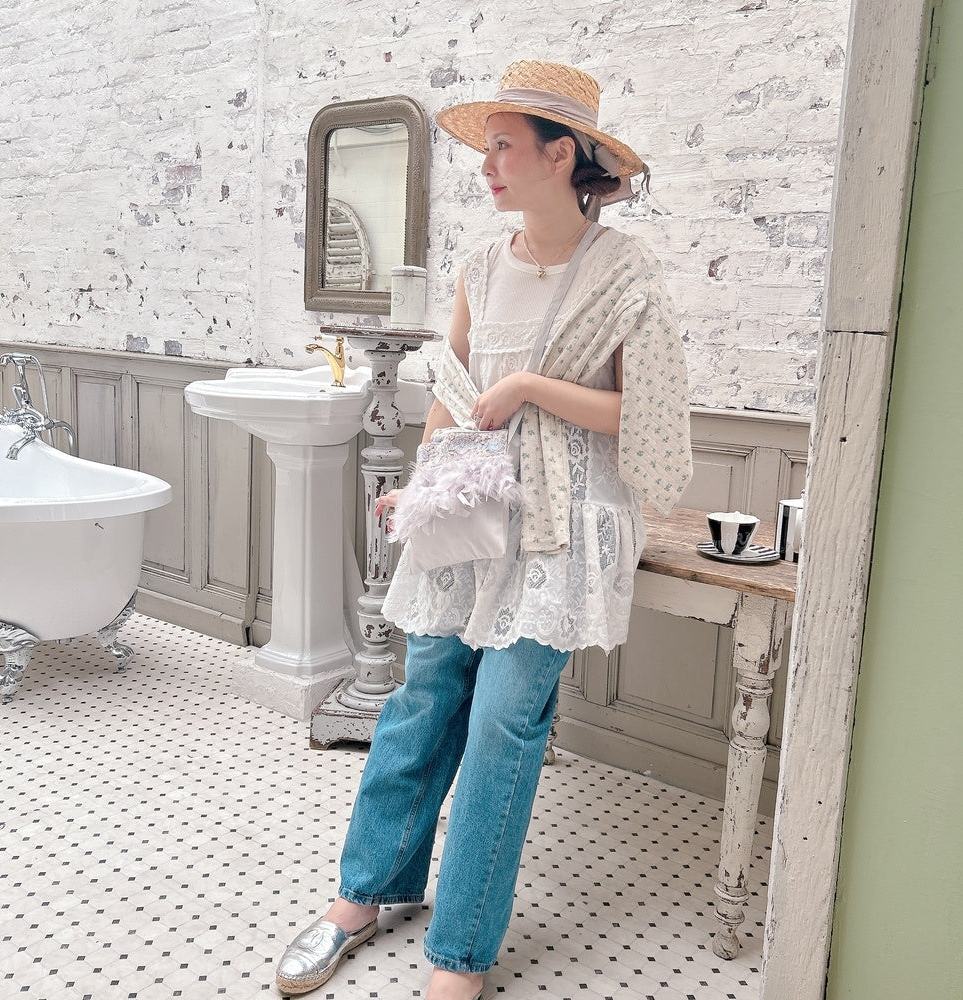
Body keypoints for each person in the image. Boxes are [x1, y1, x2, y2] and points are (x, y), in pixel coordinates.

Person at [275, 60, 692, 1000]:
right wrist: (419, 488)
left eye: (503, 146)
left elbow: (648, 417)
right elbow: (452, 397)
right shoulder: (479, 267)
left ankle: (459, 954)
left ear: (561, 154)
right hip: (468, 513)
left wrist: (532, 388)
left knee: (504, 721)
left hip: (560, 528)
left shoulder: (623, 272)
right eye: (487, 148)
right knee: (423, 698)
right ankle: (362, 895)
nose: (486, 165)